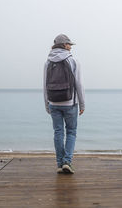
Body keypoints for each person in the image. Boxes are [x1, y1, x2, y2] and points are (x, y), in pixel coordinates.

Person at [43, 34, 85, 174]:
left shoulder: (48, 62)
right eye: (69, 44)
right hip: (70, 103)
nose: (70, 47)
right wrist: (82, 104)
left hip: (53, 102)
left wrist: (46, 104)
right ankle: (67, 161)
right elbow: (79, 84)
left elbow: (44, 85)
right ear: (64, 45)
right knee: (71, 132)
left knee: (58, 132)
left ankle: (60, 164)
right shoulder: (73, 61)